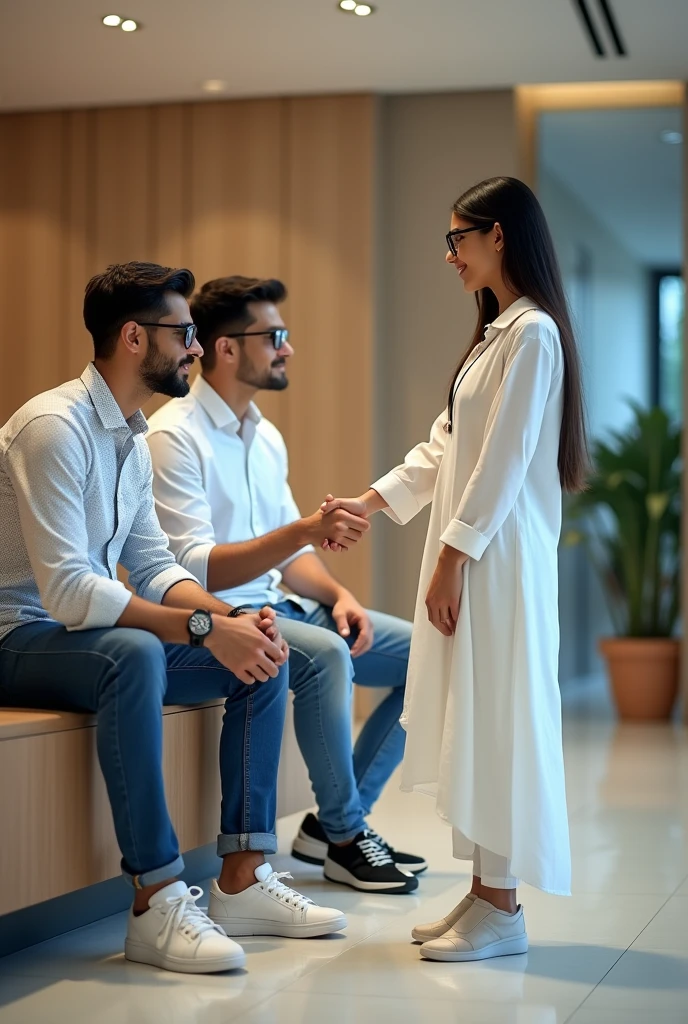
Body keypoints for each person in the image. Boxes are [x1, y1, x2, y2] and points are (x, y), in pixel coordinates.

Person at [0, 262, 347, 976]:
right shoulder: (52, 427)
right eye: (184, 333)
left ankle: (244, 878)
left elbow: (155, 563)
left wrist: (229, 617)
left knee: (261, 647)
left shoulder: (126, 436)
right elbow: (67, 592)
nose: (195, 347)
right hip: (17, 635)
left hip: (73, 635)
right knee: (134, 652)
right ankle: (155, 900)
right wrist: (197, 629)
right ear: (133, 337)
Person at [321, 177, 588, 961]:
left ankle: (502, 907)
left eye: (457, 241)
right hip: (480, 555)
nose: (449, 257)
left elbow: (501, 465)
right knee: (476, 720)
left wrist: (449, 561)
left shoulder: (534, 335)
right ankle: (481, 896)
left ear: (498, 236)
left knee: (498, 720)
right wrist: (370, 503)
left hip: (496, 563)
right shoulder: (499, 334)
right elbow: (445, 447)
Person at [146, 275, 426, 896]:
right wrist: (302, 531)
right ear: (225, 348)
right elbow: (198, 568)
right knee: (325, 655)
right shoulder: (173, 436)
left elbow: (290, 556)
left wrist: (339, 595)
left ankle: (331, 829)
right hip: (223, 618)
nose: (287, 348)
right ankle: (348, 836)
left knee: (430, 656)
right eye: (275, 336)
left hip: (284, 603)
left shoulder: (264, 435)